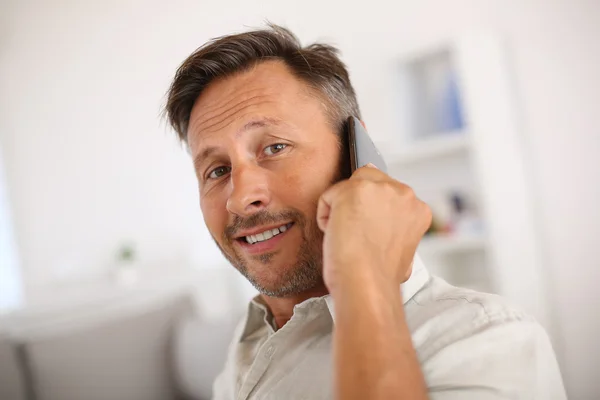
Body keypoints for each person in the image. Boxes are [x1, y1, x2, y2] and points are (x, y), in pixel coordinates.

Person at [164, 23, 566, 400]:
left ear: (358, 156)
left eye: (274, 147)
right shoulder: (247, 340)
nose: (238, 197)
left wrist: (363, 268)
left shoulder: (486, 340)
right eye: (217, 170)